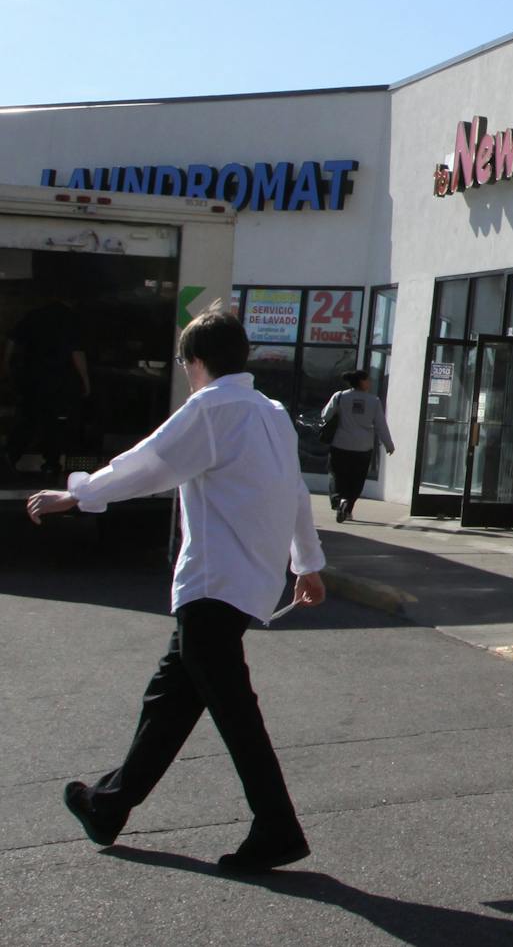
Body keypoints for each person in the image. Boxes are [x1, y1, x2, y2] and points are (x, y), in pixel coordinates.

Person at [28, 307, 327, 873]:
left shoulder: (211, 408)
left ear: (196, 362)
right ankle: (108, 806)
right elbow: (295, 493)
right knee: (169, 700)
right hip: (243, 586)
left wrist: (77, 493)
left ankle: (278, 829)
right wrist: (306, 563)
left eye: (185, 362)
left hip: (213, 584)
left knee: (234, 712)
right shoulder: (272, 413)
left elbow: (150, 464)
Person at [6, 298, 93, 476]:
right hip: (57, 380)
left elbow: (12, 340)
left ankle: (11, 455)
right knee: (54, 422)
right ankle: (51, 462)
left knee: (28, 417)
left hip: (31, 377)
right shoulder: (70, 319)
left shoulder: (34, 315)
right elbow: (76, 351)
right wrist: (85, 380)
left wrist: (5, 363)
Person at [320, 367, 393, 522]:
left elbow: (325, 415)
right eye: (368, 379)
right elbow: (381, 425)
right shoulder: (374, 401)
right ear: (362, 381)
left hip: (340, 444)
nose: (370, 382)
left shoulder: (339, 396)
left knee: (336, 475)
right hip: (363, 447)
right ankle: (348, 508)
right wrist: (388, 444)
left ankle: (339, 500)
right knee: (357, 479)